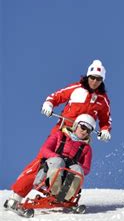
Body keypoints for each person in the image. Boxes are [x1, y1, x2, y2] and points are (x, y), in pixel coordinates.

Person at [9, 60, 112, 202]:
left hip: (81, 137)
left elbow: (106, 119)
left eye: (99, 79)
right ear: (88, 77)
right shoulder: (76, 88)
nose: (95, 81)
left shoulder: (103, 100)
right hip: (62, 131)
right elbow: (56, 96)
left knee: (73, 166)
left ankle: (62, 195)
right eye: (92, 77)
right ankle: (17, 196)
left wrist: (105, 130)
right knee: (43, 161)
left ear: (102, 80)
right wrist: (49, 104)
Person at [5, 114, 95, 210]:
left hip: (68, 171)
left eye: (88, 130)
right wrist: (56, 156)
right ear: (76, 125)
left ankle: (66, 196)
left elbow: (86, 168)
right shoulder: (59, 135)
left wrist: (76, 164)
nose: (84, 131)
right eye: (83, 127)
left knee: (78, 169)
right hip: (51, 167)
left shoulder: (86, 148)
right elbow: (45, 149)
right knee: (58, 162)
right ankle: (55, 190)